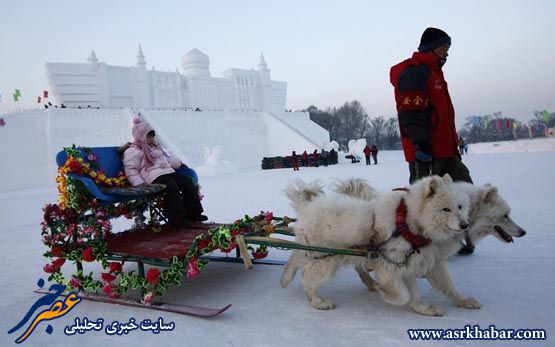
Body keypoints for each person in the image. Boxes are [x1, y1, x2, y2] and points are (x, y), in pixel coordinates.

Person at [390, 27, 474, 254]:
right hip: (426, 149)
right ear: (429, 48)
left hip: (447, 149)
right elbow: (411, 112)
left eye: (448, 48)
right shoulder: (414, 73)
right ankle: (419, 242)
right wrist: (421, 143)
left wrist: (454, 144)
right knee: (424, 201)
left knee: (463, 191)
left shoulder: (435, 72)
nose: (447, 52)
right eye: (443, 47)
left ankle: (457, 238)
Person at [122, 117, 207, 228]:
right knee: (171, 187)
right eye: (148, 136)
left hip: (167, 172)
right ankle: (177, 220)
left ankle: (194, 213)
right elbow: (131, 169)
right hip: (151, 176)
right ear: (140, 136)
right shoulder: (133, 151)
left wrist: (179, 163)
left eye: (152, 136)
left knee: (187, 182)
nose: (151, 139)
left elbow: (166, 161)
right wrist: (139, 183)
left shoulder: (154, 148)